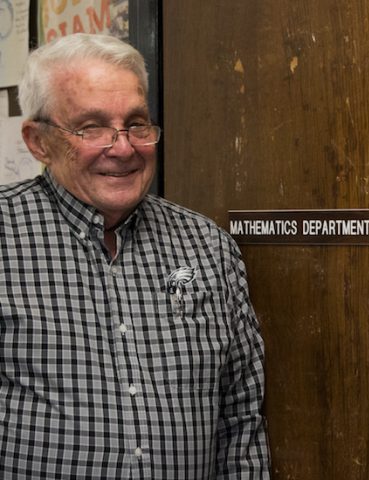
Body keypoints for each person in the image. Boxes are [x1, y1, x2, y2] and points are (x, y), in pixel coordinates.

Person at [1, 33, 270, 478]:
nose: (123, 147)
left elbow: (241, 420)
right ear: (38, 142)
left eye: (136, 124)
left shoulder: (208, 247)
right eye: (91, 127)